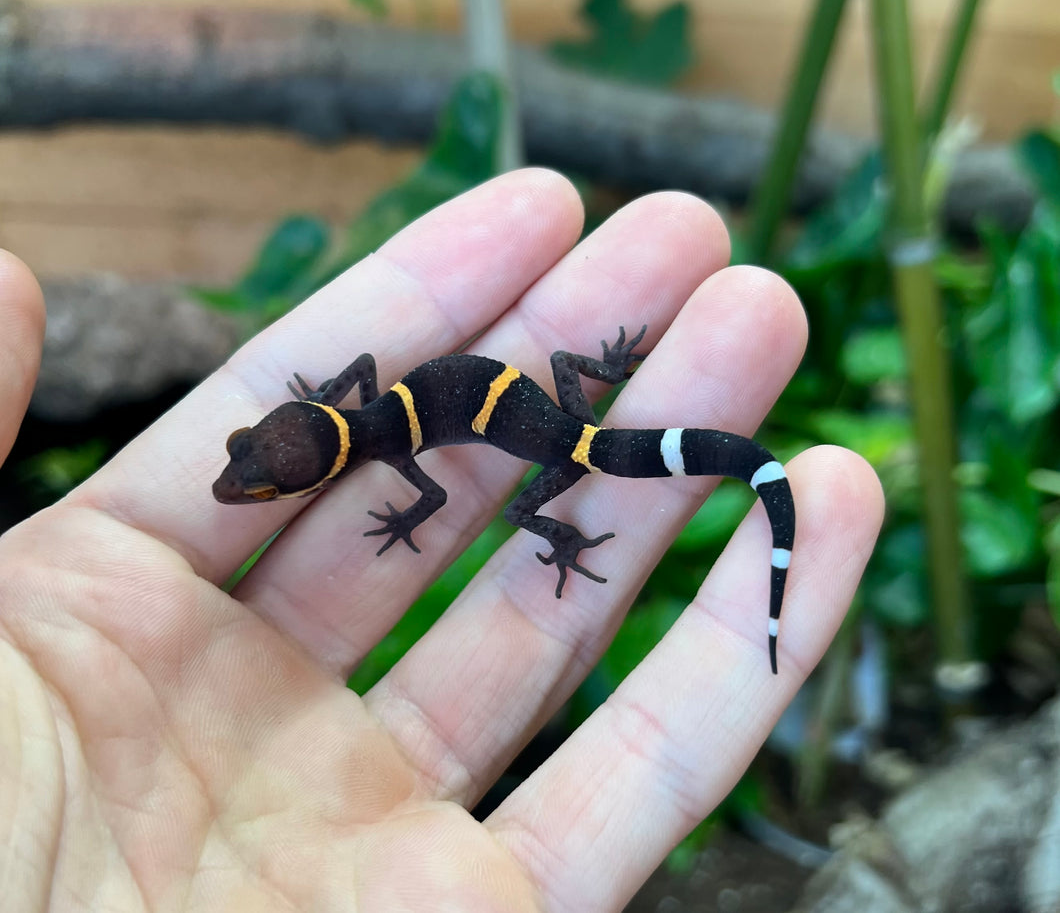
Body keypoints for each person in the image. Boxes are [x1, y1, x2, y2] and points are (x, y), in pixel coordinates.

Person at [0, 169, 882, 912]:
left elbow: (423, 489)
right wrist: (594, 379)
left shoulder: (386, 444)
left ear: (309, 455)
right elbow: (363, 389)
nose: (242, 486)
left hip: (572, 450)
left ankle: (631, 521)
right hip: (565, 417)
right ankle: (667, 438)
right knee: (574, 415)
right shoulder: (364, 412)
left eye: (257, 476)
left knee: (513, 515)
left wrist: (495, 527)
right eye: (251, 471)